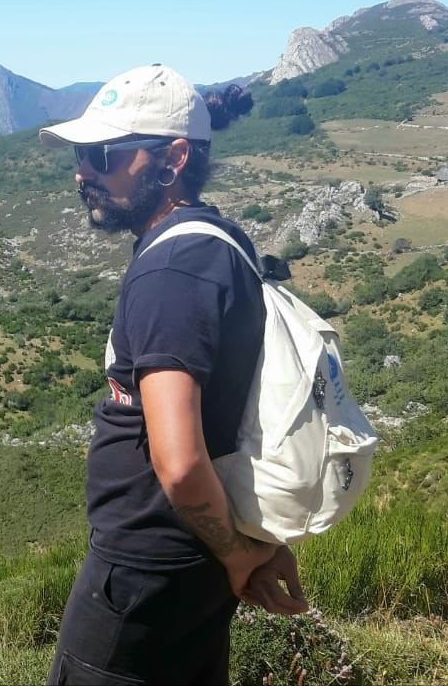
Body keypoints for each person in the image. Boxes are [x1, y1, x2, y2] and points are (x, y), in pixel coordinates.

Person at [40, 65, 308, 686]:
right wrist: (238, 550)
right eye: (81, 154)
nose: (82, 172)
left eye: (102, 155)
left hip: (143, 575)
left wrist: (240, 555)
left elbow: (181, 461)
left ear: (172, 159)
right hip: (188, 563)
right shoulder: (211, 240)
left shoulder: (172, 273)